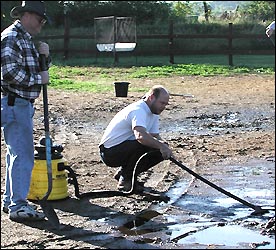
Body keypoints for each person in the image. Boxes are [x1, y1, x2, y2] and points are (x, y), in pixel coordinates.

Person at [1, 1, 51, 222]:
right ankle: (18, 206)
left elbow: (33, 67)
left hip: (20, 103)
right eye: (40, 20)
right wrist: (39, 79)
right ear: (28, 15)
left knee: (16, 153)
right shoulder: (12, 37)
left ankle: (10, 200)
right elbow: (9, 72)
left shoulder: (25, 39)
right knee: (23, 155)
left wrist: (45, 56)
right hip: (15, 102)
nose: (41, 25)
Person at [99, 85, 173, 192]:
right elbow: (140, 136)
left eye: (166, 104)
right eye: (162, 103)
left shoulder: (154, 112)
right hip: (109, 152)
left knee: (158, 149)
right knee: (146, 144)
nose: (164, 107)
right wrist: (160, 146)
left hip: (124, 147)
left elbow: (155, 136)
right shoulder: (138, 110)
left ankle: (125, 173)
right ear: (151, 97)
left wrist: (164, 147)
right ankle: (125, 180)